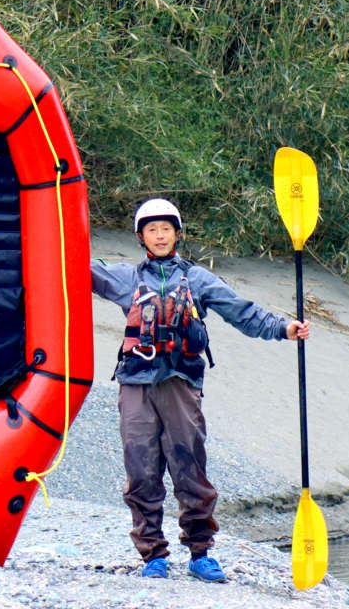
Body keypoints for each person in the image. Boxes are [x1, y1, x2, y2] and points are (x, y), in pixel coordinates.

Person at [90, 198, 310, 581]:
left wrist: (282, 328)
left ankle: (199, 552)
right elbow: (73, 267)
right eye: (152, 230)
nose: (159, 236)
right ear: (141, 236)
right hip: (135, 385)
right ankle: (153, 555)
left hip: (180, 383)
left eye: (166, 229)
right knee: (141, 470)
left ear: (177, 234)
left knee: (189, 466)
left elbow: (242, 312)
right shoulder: (125, 278)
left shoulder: (198, 280)